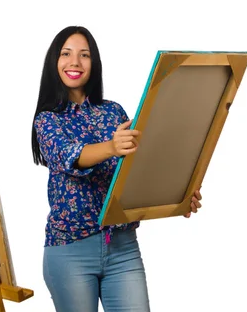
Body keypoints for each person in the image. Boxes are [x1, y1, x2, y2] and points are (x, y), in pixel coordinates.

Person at [31, 25, 202, 312]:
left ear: (94, 63)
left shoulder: (113, 112)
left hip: (123, 249)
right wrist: (111, 146)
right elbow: (70, 156)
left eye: (84, 55)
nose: (75, 62)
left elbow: (140, 170)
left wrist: (178, 196)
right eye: (66, 54)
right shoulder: (47, 120)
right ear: (54, 62)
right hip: (70, 250)